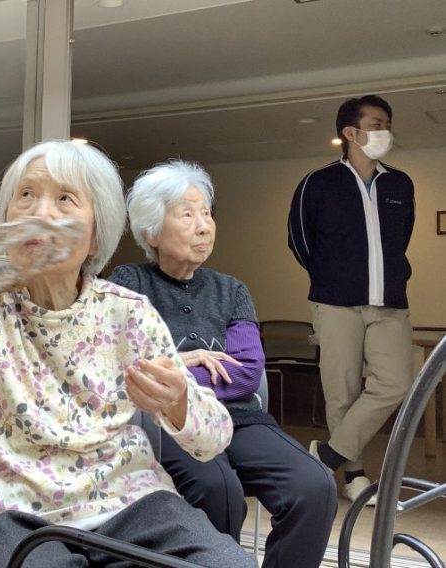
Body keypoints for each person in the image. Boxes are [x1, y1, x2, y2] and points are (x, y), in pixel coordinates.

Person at [0, 140, 255, 567]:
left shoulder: (128, 313)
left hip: (130, 504)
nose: (40, 212)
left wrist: (178, 401)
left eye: (65, 199)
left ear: (95, 237)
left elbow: (213, 438)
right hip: (7, 511)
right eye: (26, 195)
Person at [109, 160, 337, 568]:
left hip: (242, 420)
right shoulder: (131, 283)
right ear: (152, 232)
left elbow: (246, 373)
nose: (204, 226)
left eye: (207, 213)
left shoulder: (231, 290)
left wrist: (172, 371)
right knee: (218, 490)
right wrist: (179, 369)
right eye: (187, 215)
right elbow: (124, 365)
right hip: (168, 423)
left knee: (314, 485)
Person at [288, 94, 415, 504]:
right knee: (341, 391)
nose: (385, 132)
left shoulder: (399, 184)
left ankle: (326, 457)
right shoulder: (318, 183)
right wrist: (331, 277)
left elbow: (400, 239)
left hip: (389, 303)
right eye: (377, 124)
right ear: (350, 132)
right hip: (335, 303)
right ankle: (354, 475)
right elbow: (299, 240)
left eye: (387, 125)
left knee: (395, 382)